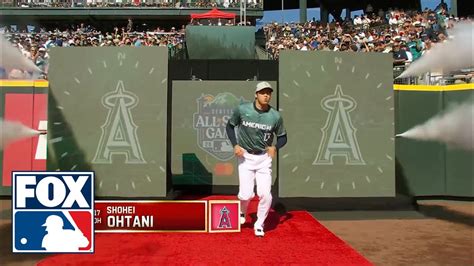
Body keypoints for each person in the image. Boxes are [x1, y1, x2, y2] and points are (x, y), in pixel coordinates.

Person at [225, 81, 287, 237]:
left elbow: (283, 137)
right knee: (245, 195)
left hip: (264, 158)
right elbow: (230, 126)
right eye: (262, 92)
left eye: (268, 93)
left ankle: (259, 223)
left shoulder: (275, 116)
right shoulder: (243, 109)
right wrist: (235, 145)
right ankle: (242, 211)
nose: (266, 95)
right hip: (245, 156)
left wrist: (275, 147)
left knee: (266, 194)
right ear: (256, 94)